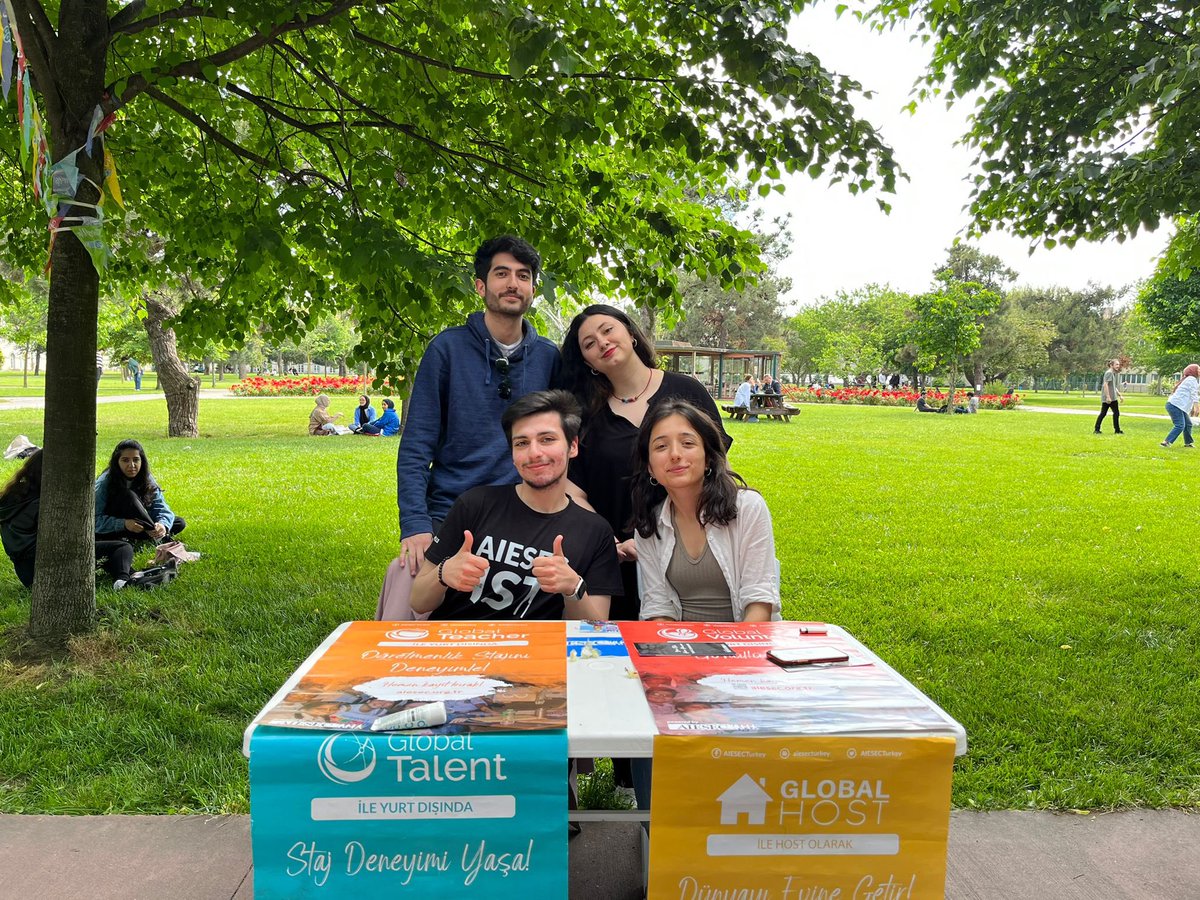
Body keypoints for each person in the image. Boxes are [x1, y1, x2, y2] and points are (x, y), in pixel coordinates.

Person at [397, 236, 561, 577]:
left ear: (532, 288)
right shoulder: (446, 350)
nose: (513, 283)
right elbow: (415, 445)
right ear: (480, 286)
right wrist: (415, 524)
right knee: (418, 598)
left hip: (527, 511)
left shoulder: (549, 358)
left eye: (524, 275)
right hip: (451, 511)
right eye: (502, 274)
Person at [561, 303, 732, 620]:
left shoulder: (686, 390)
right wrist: (608, 540)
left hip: (688, 554)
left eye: (607, 329)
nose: (602, 342)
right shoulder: (586, 415)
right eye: (589, 343)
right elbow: (572, 491)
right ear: (587, 362)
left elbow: (716, 466)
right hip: (616, 560)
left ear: (630, 332)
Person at [411, 390, 621, 621]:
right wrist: (443, 573)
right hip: (457, 645)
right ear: (512, 454)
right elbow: (418, 602)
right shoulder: (474, 504)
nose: (534, 453)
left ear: (572, 446)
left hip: (536, 652)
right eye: (521, 443)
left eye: (547, 439)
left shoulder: (596, 532)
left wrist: (573, 588)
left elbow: (596, 630)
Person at [629, 399, 781, 624]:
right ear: (650, 467)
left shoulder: (748, 508)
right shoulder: (649, 526)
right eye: (661, 446)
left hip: (747, 648)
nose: (675, 454)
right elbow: (658, 608)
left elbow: (758, 602)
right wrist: (674, 652)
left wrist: (734, 657)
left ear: (708, 457)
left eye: (687, 443)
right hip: (680, 649)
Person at [2, 450, 134, 589]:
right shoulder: (45, 504)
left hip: (26, 574)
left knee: (103, 547)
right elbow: (70, 539)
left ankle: (131, 575)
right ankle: (122, 581)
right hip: (47, 570)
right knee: (122, 546)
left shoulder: (14, 496)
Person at [94, 439, 187, 543]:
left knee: (178, 522)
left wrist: (162, 525)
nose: (132, 465)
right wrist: (124, 524)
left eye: (136, 460)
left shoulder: (146, 478)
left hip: (138, 524)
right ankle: (161, 539)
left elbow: (160, 506)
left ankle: (152, 534)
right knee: (128, 495)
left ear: (142, 461)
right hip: (114, 526)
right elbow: (94, 520)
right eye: (125, 460)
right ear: (117, 462)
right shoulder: (104, 482)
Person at [1161, 364, 1200, 448]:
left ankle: (1188, 443)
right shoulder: (1191, 379)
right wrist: (1196, 406)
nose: (1199, 371)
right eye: (1198, 369)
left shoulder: (1189, 379)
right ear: (1193, 371)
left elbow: (1191, 394)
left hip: (1177, 406)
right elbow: (1194, 393)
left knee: (1188, 424)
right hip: (1175, 405)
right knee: (1180, 425)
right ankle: (1166, 442)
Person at [1094, 359, 1124, 435]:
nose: (1118, 366)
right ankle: (1116, 430)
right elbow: (1105, 385)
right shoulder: (1109, 373)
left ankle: (1098, 429)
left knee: (1108, 413)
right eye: (1116, 364)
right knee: (1111, 413)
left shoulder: (1112, 373)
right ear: (1111, 365)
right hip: (1110, 398)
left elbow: (1113, 386)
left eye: (1118, 364)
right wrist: (1108, 397)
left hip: (1112, 397)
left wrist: (1120, 395)